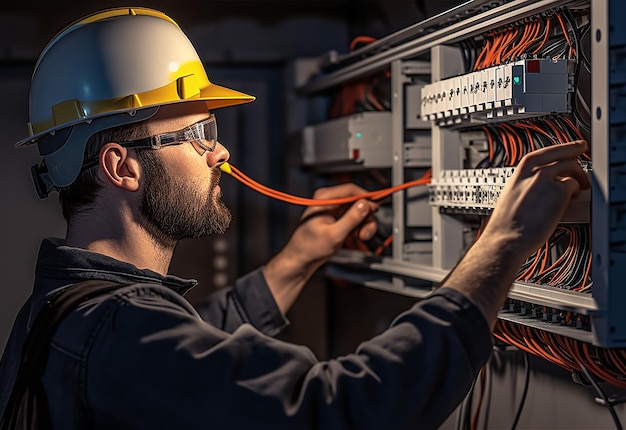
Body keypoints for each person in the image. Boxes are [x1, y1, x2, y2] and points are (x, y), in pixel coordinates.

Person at [0, 6, 590, 430]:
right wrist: (503, 242)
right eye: (199, 132)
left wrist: (296, 262)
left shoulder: (68, 313)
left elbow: (193, 353)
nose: (221, 151)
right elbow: (337, 412)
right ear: (120, 166)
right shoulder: (115, 335)